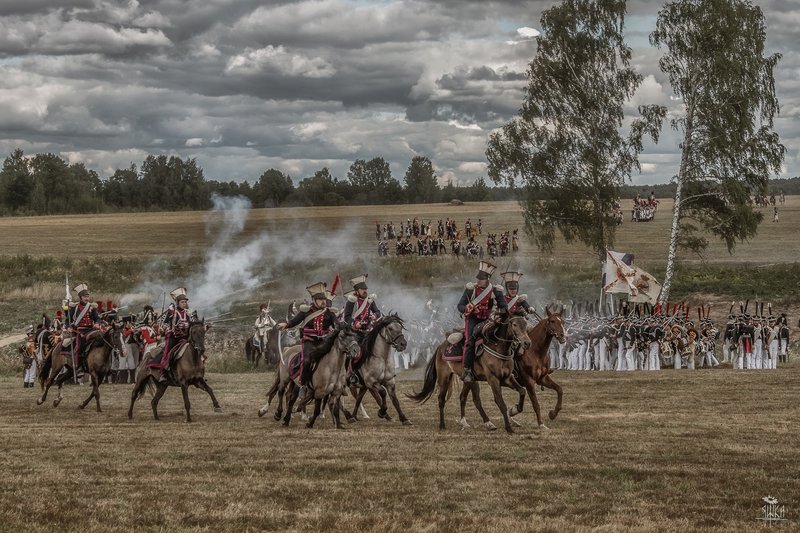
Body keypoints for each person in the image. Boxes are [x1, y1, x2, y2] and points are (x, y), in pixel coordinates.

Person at [275, 282, 337, 400]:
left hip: (324, 343)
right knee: (307, 360)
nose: (323, 301)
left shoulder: (329, 313)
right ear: (314, 300)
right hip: (309, 342)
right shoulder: (306, 312)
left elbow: (337, 325)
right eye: (320, 299)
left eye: (324, 299)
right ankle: (304, 385)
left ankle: (339, 382)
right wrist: (286, 325)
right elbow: (294, 321)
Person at [456, 261, 507, 383]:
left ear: (488, 279)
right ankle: (467, 369)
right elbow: (460, 306)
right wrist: (468, 308)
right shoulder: (471, 290)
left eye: (482, 279)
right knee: (470, 341)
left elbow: (504, 307)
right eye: (478, 278)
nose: (479, 281)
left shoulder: (496, 291)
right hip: (473, 319)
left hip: (489, 319)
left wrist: (499, 315)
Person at [343, 274, 382, 385]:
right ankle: (353, 373)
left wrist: (375, 316)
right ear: (356, 290)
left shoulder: (370, 300)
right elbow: (347, 317)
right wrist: (355, 323)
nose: (365, 291)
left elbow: (377, 312)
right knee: (356, 353)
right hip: (356, 333)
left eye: (365, 289)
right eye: (362, 289)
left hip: (369, 331)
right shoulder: (351, 301)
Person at [65, 283, 101, 370]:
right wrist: (68, 327)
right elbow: (67, 320)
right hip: (80, 331)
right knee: (79, 347)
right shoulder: (75, 308)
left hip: (91, 329)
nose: (86, 298)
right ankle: (78, 365)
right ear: (81, 297)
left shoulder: (91, 307)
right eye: (85, 297)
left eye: (87, 296)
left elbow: (97, 318)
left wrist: (97, 323)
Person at [160, 287, 193, 382]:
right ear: (178, 302)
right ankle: (163, 373)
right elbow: (165, 322)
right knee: (167, 354)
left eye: (185, 302)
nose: (184, 304)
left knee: (196, 350)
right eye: (182, 302)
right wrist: (169, 313)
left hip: (185, 338)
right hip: (173, 337)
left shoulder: (188, 313)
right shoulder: (173, 312)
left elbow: (192, 324)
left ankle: (196, 372)